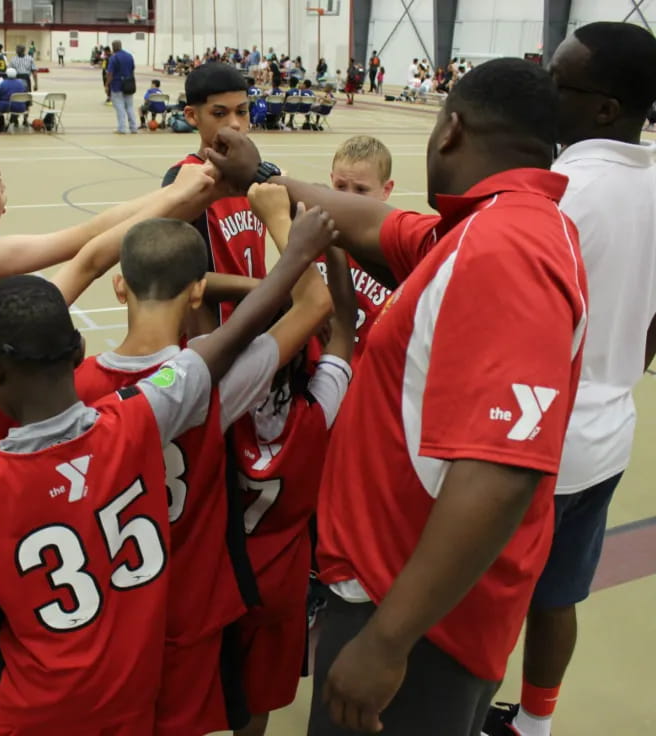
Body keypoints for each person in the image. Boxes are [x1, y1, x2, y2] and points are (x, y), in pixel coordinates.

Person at [205, 57, 589, 736]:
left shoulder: (505, 250)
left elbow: (501, 474)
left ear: (450, 130)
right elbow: (375, 226)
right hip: (407, 591)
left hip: (415, 615)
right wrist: (263, 178)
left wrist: (387, 640)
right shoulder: (489, 226)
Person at [0, 200, 337, 735]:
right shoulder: (139, 418)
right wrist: (285, 242)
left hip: (51, 673)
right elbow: (281, 321)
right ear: (74, 348)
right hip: (170, 621)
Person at [483, 24, 656, 736]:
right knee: (559, 596)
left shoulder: (561, 194)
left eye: (558, 81)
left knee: (480, 595)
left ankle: (456, 714)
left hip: (535, 434)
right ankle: (534, 726)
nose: (543, 91)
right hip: (611, 426)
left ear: (605, 108)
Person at [229, 185, 356, 736]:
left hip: (220, 573)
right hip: (279, 585)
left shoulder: (218, 402)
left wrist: (254, 289)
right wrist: (334, 252)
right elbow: (343, 329)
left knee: (202, 683)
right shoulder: (318, 410)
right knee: (258, 698)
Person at [162, 63, 268, 326]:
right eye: (219, 113)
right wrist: (265, 289)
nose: (234, 123)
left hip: (257, 325)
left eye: (242, 112)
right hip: (214, 338)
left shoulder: (260, 176)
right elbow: (181, 278)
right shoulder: (183, 179)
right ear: (191, 116)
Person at [327, 135, 395, 359]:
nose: (348, 199)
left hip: (367, 380)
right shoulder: (313, 240)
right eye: (340, 186)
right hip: (316, 381)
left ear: (386, 190)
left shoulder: (395, 251)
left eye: (361, 190)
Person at [106, 40, 138, 135]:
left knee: (120, 107)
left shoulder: (113, 58)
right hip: (129, 84)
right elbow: (133, 69)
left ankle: (122, 128)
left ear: (113, 47)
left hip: (117, 85)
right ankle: (133, 127)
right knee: (130, 106)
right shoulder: (129, 56)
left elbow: (110, 73)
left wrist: (107, 84)